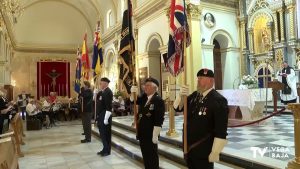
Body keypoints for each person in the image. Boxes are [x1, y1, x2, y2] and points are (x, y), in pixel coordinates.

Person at [173, 68, 228, 169]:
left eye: (201, 78)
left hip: (203, 149)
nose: (198, 80)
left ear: (211, 81)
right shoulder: (195, 95)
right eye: (198, 78)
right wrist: (180, 96)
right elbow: (178, 108)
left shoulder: (218, 100)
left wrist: (215, 151)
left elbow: (221, 130)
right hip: (189, 147)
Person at [130, 77, 165, 169]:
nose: (145, 87)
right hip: (143, 133)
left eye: (148, 85)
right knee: (146, 156)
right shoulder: (145, 98)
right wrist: (132, 93)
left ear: (155, 88)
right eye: (145, 85)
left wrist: (155, 134)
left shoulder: (158, 100)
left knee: (152, 157)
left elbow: (159, 119)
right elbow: (134, 101)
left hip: (151, 134)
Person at [96, 77, 113, 156]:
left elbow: (108, 106)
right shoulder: (102, 92)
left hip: (105, 115)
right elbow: (99, 103)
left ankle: (107, 150)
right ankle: (104, 148)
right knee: (102, 133)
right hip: (101, 115)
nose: (100, 84)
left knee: (106, 133)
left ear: (106, 83)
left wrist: (106, 118)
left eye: (101, 83)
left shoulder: (108, 92)